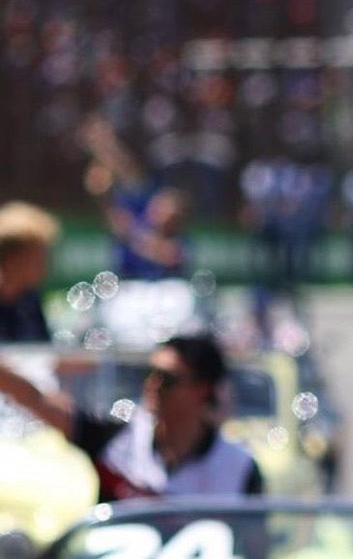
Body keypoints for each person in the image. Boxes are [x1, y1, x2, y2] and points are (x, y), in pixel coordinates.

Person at [0, 333, 262, 501]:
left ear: (202, 389)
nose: (152, 385)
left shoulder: (238, 467)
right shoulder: (117, 441)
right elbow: (38, 400)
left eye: (167, 379)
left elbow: (254, 549)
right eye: (150, 373)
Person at [80, 116, 190, 280]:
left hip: (167, 289)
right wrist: (102, 194)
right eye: (159, 205)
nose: (160, 210)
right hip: (127, 286)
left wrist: (132, 235)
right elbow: (124, 177)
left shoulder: (180, 240)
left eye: (169, 211)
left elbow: (167, 254)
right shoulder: (137, 212)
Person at [0, 201, 59, 343]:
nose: (44, 264)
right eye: (37, 256)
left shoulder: (31, 300)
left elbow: (43, 347)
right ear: (12, 259)